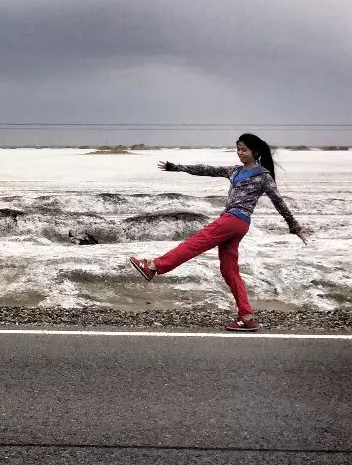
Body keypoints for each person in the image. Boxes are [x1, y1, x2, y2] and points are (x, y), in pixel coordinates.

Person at [129, 133, 307, 332]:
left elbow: (279, 202)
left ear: (255, 152)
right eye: (238, 148)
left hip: (234, 220)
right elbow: (206, 170)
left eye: (244, 149)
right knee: (229, 269)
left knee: (195, 242)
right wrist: (176, 167)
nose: (240, 153)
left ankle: (153, 266)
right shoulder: (235, 171)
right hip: (237, 223)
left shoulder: (264, 176)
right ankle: (246, 317)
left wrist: (295, 227)